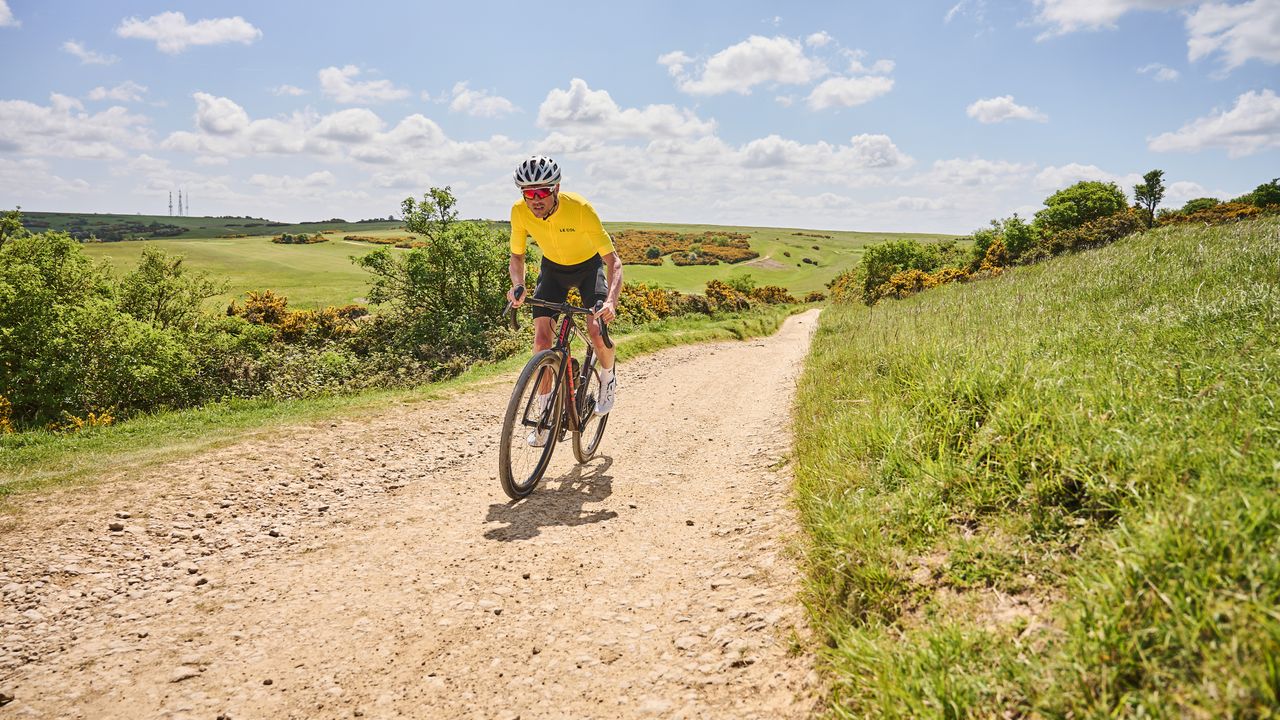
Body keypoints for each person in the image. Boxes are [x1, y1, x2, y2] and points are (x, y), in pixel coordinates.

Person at [506, 155, 622, 447]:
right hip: (553, 271)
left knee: (596, 332)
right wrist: (518, 285)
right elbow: (517, 256)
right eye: (528, 193)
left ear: (556, 188)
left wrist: (610, 302)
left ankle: (607, 378)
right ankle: (545, 413)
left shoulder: (580, 209)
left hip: (588, 269)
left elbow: (613, 261)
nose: (535, 199)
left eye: (542, 191)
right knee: (542, 343)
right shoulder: (519, 212)